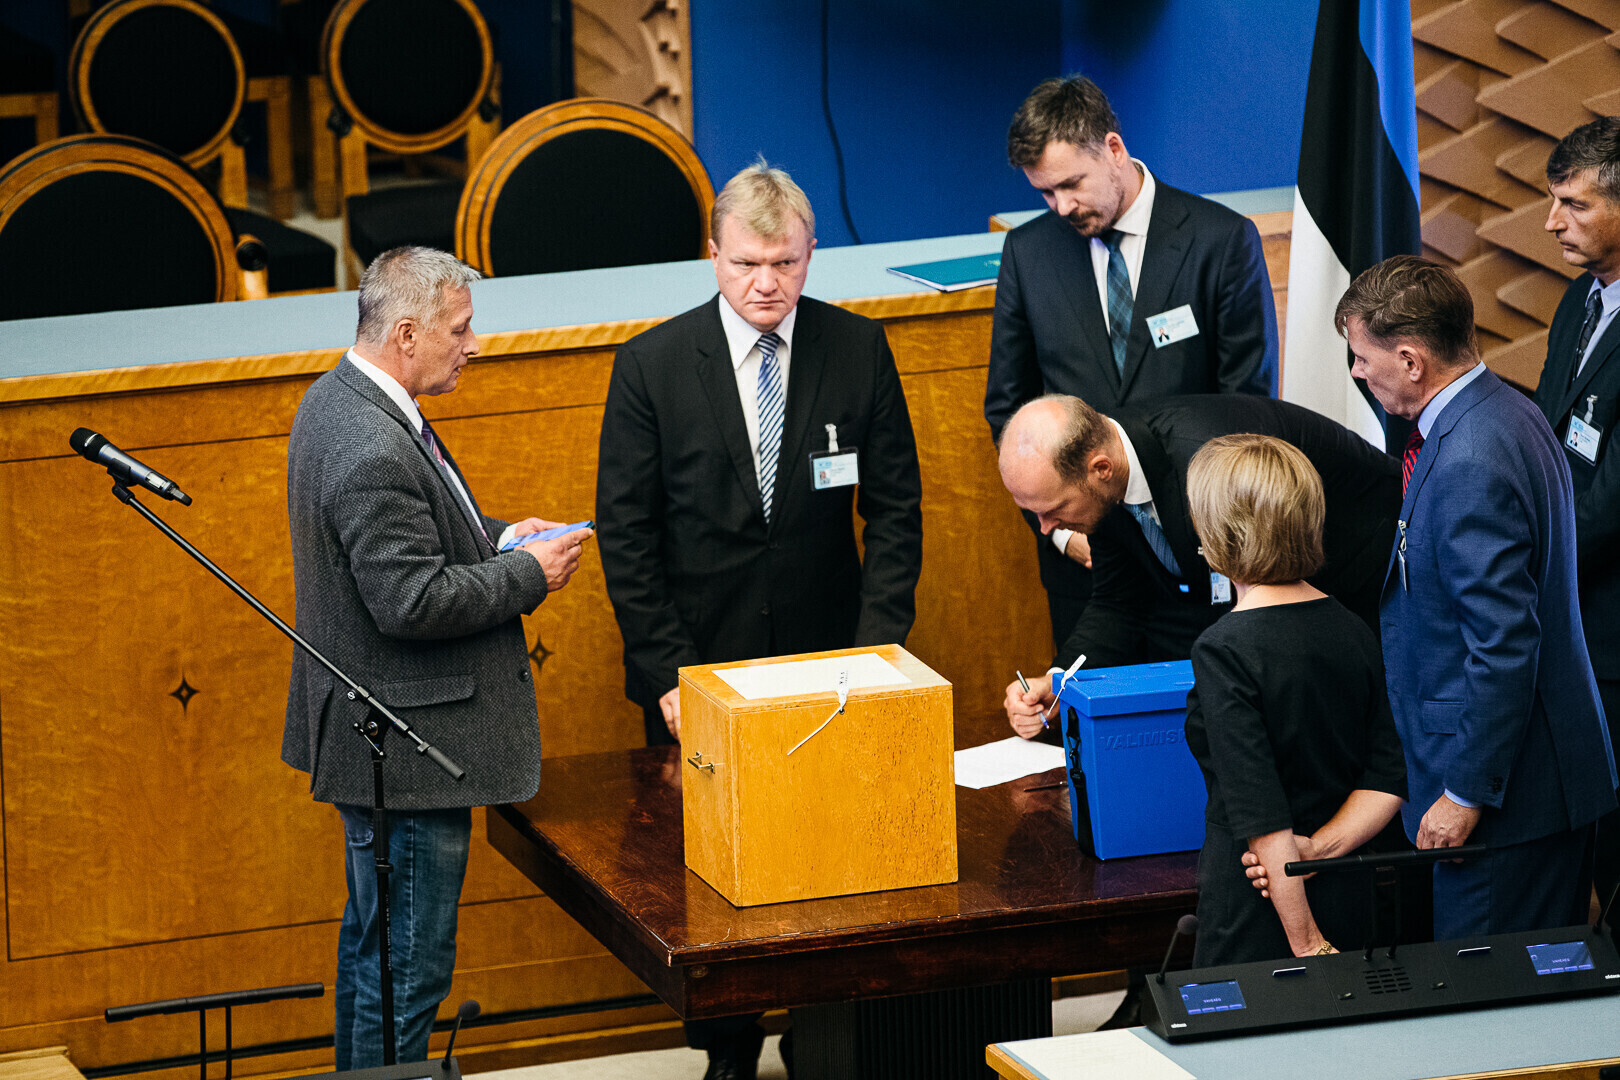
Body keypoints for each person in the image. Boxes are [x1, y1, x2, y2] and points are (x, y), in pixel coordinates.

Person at [595, 162, 922, 1080]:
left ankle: (824, 1035)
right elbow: (628, 536)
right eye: (746, 264)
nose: (766, 283)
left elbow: (895, 511)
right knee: (711, 873)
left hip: (833, 663)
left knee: (832, 855)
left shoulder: (858, 349)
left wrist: (876, 653)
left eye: (785, 263)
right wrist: (671, 675)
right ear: (713, 256)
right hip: (703, 665)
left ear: (811, 255)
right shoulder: (653, 366)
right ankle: (728, 1050)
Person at [282, 247, 591, 1067]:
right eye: (461, 330)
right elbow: (409, 600)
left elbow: (415, 539)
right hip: (410, 754)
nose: (474, 345)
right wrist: (527, 575)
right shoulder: (370, 445)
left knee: (376, 956)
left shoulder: (340, 398)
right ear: (408, 334)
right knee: (405, 972)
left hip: (391, 740)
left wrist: (499, 538)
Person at [1336, 254, 1617, 938]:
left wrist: (1463, 792)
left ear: (1410, 360)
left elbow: (1504, 643)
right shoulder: (1507, 410)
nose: (1357, 372)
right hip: (1535, 785)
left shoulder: (1468, 460)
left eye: (1362, 357)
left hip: (1505, 803)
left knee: (1492, 995)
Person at [985, 75, 1278, 652]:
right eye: (1045, 193)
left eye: (1071, 184)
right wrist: (1063, 535)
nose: (1062, 206)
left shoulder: (1220, 240)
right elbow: (1008, 409)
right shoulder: (1028, 252)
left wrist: (1211, 531)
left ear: (1113, 149)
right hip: (1086, 567)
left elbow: (1248, 408)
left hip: (1201, 561)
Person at [996, 392, 1399, 735]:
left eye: (1053, 509)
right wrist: (1059, 682)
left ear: (1101, 469)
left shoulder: (1205, 463)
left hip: (1372, 574)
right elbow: (1117, 602)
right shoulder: (1102, 481)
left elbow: (1267, 599)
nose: (1045, 528)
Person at [1181, 434, 1406, 966]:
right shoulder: (1353, 627)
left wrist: (1308, 943)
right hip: (1347, 886)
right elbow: (1389, 776)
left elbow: (1261, 812)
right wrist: (1318, 850)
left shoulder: (1223, 649)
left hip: (1264, 912)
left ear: (1220, 531)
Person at [1537, 115, 1620, 913]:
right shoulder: (1578, 300)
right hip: (1573, 618)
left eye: (1575, 204)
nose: (1553, 222)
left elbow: (1613, 503)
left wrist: (1532, 569)